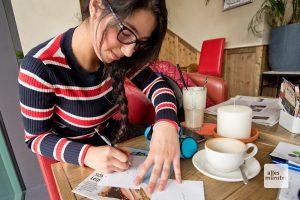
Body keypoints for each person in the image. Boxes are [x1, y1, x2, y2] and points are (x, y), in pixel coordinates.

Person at [18, 0, 181, 195]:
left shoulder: (121, 53)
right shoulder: (40, 67)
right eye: (126, 32)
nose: (129, 51)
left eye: (140, 42)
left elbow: (157, 85)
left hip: (116, 144)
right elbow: (36, 138)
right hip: (77, 159)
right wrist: (87, 154)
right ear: (96, 6)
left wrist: (166, 123)